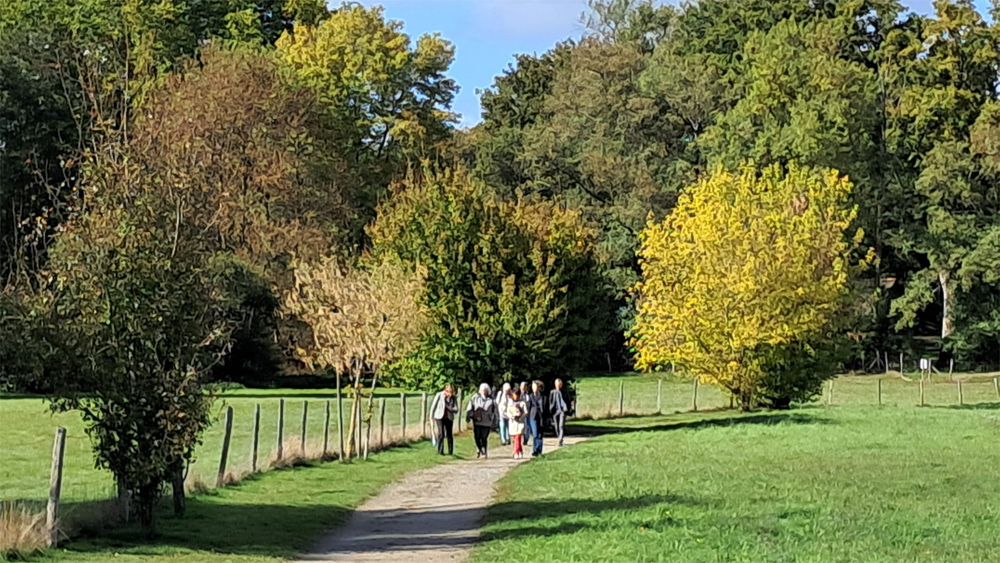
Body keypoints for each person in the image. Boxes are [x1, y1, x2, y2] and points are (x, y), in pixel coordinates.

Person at [467, 383, 498, 458]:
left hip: (487, 421)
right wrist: (469, 416)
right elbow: (470, 407)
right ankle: (480, 450)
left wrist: (494, 420)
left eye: (485, 390)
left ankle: (483, 452)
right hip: (477, 421)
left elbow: (495, 411)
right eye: (482, 390)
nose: (483, 392)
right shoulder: (475, 397)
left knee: (484, 438)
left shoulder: (492, 400)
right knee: (477, 437)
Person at [429, 384, 459, 455]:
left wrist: (450, 408)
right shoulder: (439, 395)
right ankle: (440, 451)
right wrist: (431, 416)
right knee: (441, 433)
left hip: (449, 417)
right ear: (445, 390)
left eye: (451, 391)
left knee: (449, 434)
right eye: (448, 391)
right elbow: (433, 406)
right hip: (439, 416)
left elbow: (456, 409)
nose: (449, 393)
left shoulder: (453, 398)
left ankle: (450, 451)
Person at [506, 388, 527, 459]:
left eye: (517, 395)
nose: (516, 396)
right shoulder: (510, 402)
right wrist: (512, 416)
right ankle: (520, 450)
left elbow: (525, 412)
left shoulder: (522, 402)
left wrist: (521, 416)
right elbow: (508, 411)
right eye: (514, 395)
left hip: (520, 422)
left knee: (518, 436)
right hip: (513, 422)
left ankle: (516, 452)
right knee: (515, 438)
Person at [527, 380, 545, 456]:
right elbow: (529, 406)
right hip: (533, 416)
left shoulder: (542, 396)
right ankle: (535, 449)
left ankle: (539, 450)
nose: (533, 387)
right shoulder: (531, 396)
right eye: (532, 386)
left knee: (540, 434)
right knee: (535, 434)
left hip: (541, 417)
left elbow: (544, 406)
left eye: (534, 386)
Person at [549, 378, 568, 447]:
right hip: (555, 411)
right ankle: (559, 436)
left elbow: (567, 400)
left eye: (560, 384)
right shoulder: (552, 392)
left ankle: (560, 440)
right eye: (557, 384)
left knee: (561, 426)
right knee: (556, 426)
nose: (559, 385)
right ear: (555, 384)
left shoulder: (564, 392)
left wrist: (566, 408)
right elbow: (550, 401)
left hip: (562, 410)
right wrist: (550, 409)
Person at [518, 381, 530, 446]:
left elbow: (528, 403)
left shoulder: (528, 395)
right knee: (520, 426)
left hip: (526, 413)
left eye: (524, 387)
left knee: (527, 426)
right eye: (522, 387)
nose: (523, 388)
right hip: (520, 413)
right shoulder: (518, 394)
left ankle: (526, 439)